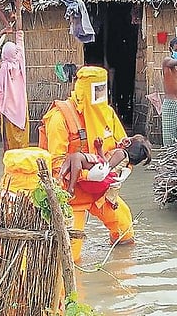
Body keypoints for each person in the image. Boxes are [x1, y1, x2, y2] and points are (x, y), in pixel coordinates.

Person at [39, 65, 134, 262]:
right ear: (84, 90)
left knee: (125, 231)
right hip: (73, 197)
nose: (100, 96)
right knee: (70, 256)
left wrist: (126, 168)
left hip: (102, 192)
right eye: (95, 90)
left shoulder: (106, 113)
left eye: (102, 89)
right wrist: (86, 176)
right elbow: (55, 164)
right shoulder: (61, 118)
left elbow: (123, 147)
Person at [0, 0, 30, 150]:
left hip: (7, 113)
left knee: (10, 146)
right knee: (22, 143)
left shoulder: (4, 68)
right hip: (21, 110)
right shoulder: (20, 62)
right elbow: (19, 33)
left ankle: (11, 168)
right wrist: (18, 9)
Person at [59, 134, 151, 198]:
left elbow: (107, 166)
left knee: (76, 157)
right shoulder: (126, 164)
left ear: (127, 144)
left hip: (101, 177)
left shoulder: (121, 153)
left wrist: (99, 149)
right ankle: (61, 177)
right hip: (101, 186)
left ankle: (69, 186)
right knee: (72, 158)